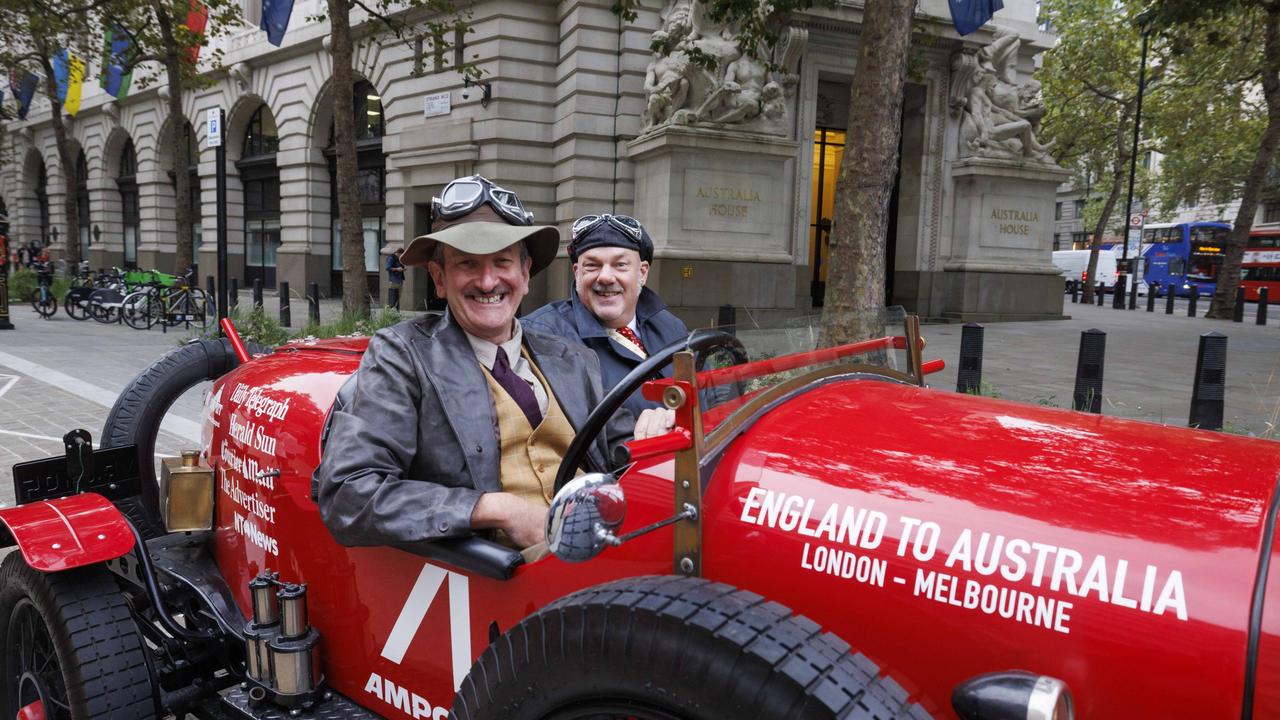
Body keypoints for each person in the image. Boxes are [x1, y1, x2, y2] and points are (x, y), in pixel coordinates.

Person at [316, 176, 673, 553]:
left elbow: (619, 451)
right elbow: (347, 495)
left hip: (605, 546)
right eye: (467, 264)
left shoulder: (571, 356)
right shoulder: (403, 356)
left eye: (502, 261)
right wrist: (494, 509)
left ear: (524, 274)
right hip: (506, 580)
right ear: (439, 278)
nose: (488, 282)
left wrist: (650, 437)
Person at [523, 214, 688, 418]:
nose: (606, 277)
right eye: (592, 265)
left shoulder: (670, 325)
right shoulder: (543, 336)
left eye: (620, 265)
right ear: (577, 273)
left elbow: (711, 390)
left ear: (643, 273)